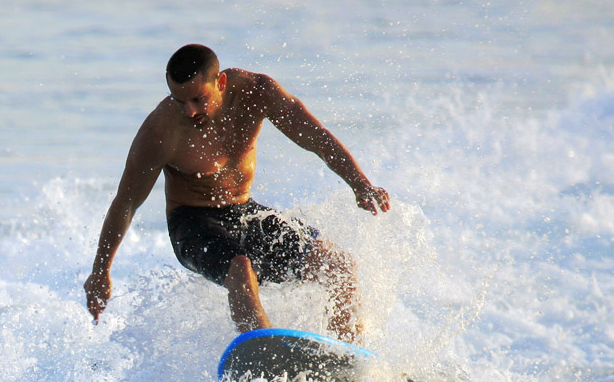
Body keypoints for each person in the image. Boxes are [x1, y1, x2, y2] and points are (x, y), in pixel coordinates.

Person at [83, 44, 389, 342]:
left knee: (336, 265)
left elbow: (315, 137)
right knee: (241, 269)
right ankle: (263, 351)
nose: (189, 111)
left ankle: (348, 357)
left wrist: (359, 183)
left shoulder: (256, 93)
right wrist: (101, 272)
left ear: (221, 82)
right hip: (191, 221)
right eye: (179, 101)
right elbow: (126, 203)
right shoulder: (160, 131)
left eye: (197, 99)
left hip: (244, 210)